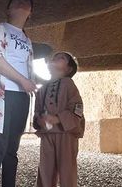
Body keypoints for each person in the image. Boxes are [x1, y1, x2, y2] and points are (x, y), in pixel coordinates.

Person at [0, 0, 37, 187]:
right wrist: (23, 81)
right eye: (16, 0)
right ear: (8, 9)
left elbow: (29, 70)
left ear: (30, 13)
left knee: (12, 150)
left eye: (27, 2)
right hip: (1, 95)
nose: (22, 2)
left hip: (22, 97)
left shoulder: (27, 40)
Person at [33, 52, 85, 187]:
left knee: (67, 170)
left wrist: (57, 119)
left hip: (66, 134)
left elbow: (77, 108)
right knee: (45, 170)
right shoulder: (42, 88)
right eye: (54, 57)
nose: (55, 59)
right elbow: (37, 110)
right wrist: (39, 120)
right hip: (47, 135)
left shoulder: (69, 84)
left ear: (69, 69)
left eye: (61, 58)